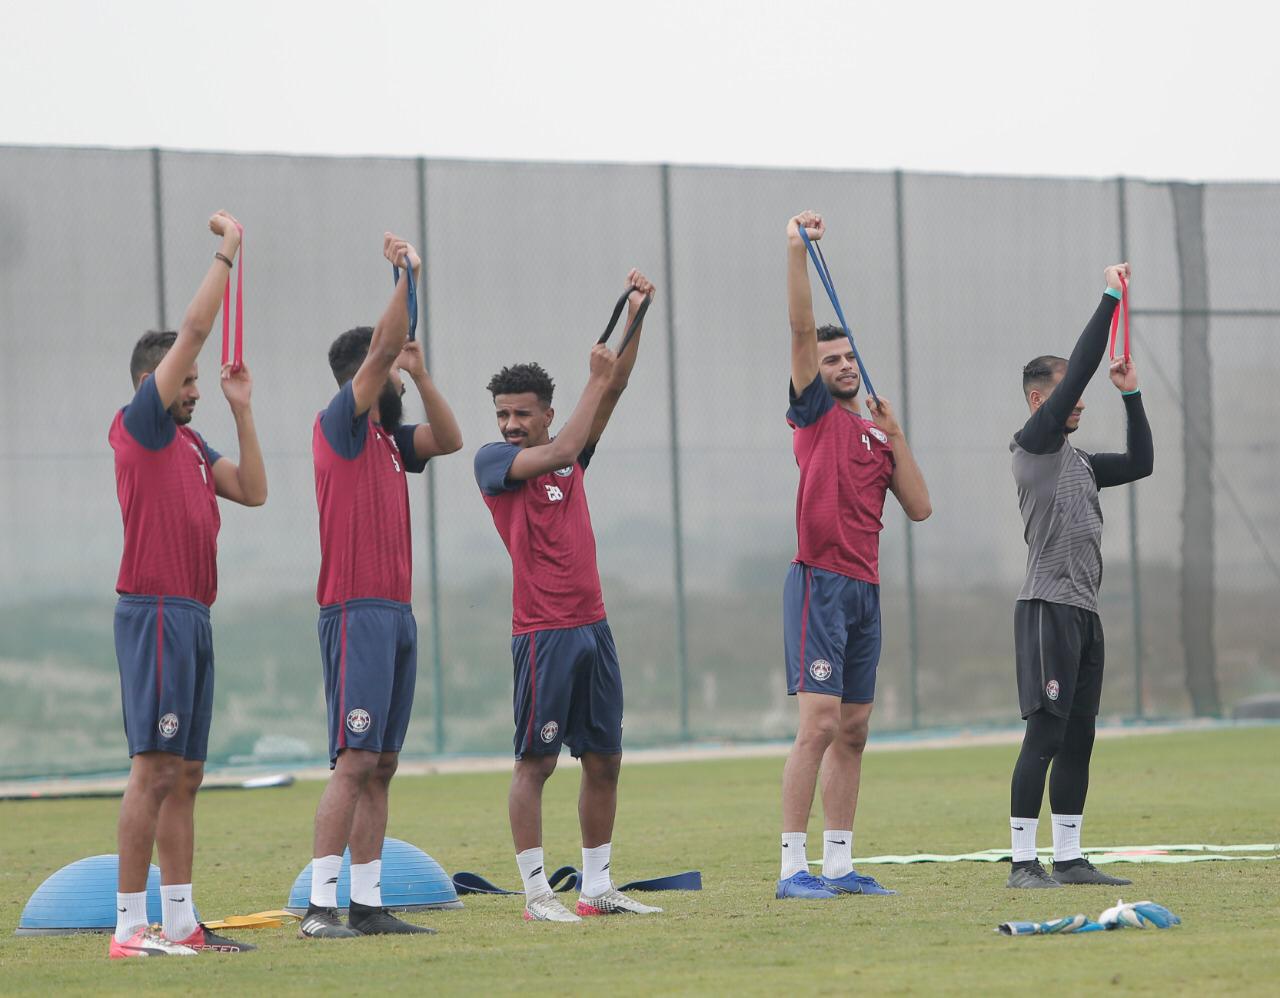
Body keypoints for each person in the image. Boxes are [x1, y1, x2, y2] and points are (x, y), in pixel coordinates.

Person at [475, 270, 663, 922]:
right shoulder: (495, 463)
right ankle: (535, 895)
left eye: (521, 413)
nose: (509, 423)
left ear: (545, 412)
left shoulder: (565, 454)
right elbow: (570, 442)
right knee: (536, 763)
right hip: (543, 634)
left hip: (592, 628)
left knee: (605, 761)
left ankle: (597, 887)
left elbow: (612, 392)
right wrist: (592, 378)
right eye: (502, 413)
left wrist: (636, 315)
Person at [108, 210, 268, 957]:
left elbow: (257, 490)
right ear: (155, 381)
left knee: (190, 771)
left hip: (194, 617)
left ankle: (180, 924)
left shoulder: (196, 445)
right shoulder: (140, 424)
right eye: (190, 380)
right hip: (157, 614)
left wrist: (242, 412)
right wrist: (226, 254)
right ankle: (128, 929)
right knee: (154, 768)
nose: (197, 388)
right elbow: (196, 330)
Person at [300, 233, 463, 937]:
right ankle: (319, 907)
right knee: (354, 758)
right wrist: (407, 276)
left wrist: (423, 376)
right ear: (367, 376)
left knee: (385, 763)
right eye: (392, 372)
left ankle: (366, 906)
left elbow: (450, 439)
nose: (396, 382)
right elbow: (381, 349)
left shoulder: (392, 444)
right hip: (355, 612)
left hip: (396, 614)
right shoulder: (340, 424)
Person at [776, 211, 933, 900]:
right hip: (819, 583)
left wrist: (896, 434)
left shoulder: (874, 436)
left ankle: (839, 864)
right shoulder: (815, 415)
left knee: (857, 729)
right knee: (819, 724)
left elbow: (920, 507)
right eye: (830, 359)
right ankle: (793, 869)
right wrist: (795, 250)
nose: (839, 366)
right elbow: (801, 330)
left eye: (847, 359)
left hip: (865, 591)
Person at [1005, 262, 1153, 888]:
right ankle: (1022, 862)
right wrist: (1109, 298)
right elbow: (1083, 364)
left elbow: (1142, 462)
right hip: (1047, 608)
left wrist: (1132, 395)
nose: (1081, 399)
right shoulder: (1033, 445)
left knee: (1080, 738)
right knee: (1044, 734)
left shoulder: (1084, 464)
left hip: (1085, 614)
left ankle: (1068, 858)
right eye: (1068, 391)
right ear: (1041, 399)